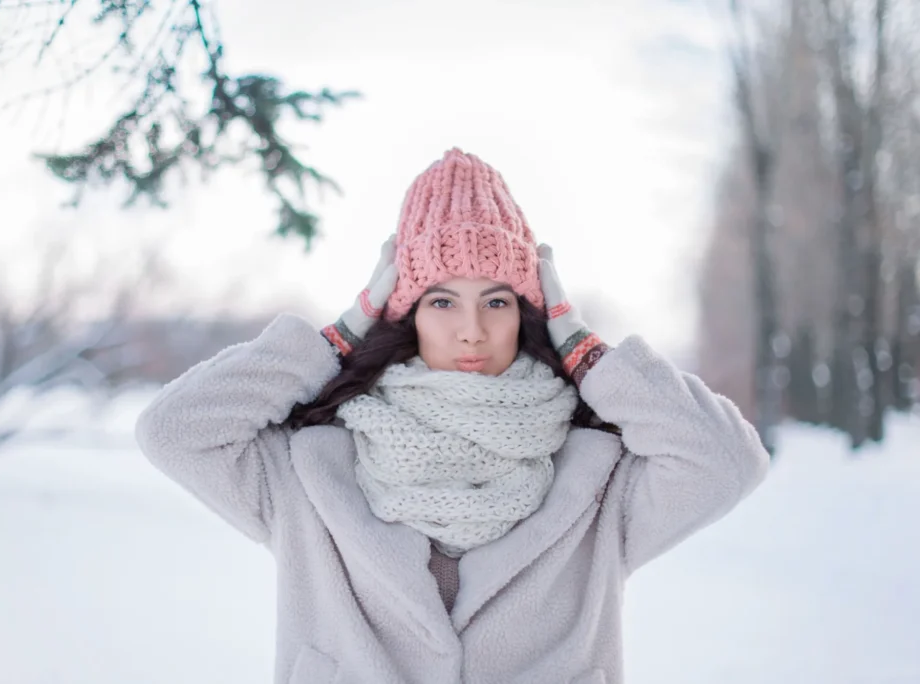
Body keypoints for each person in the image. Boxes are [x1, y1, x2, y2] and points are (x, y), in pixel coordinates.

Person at [135, 148, 769, 684]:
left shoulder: (597, 481)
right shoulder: (307, 471)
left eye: (496, 300)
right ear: (406, 313)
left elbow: (727, 462)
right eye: (442, 300)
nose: (472, 330)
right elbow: (173, 431)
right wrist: (339, 335)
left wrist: (586, 350)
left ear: (528, 312)